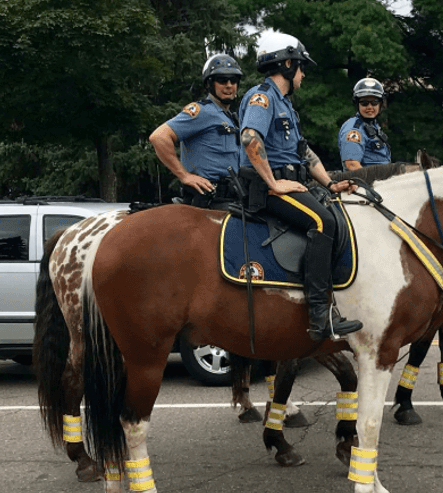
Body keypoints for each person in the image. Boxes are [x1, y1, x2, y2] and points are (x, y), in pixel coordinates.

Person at [238, 36, 363, 341]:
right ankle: (320, 316)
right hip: (266, 188)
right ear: (288, 64)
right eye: (302, 68)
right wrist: (273, 183)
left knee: (337, 214)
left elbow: (304, 153)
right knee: (323, 222)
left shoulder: (286, 105)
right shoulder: (262, 97)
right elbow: (249, 138)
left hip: (293, 181)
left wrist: (331, 183)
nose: (304, 75)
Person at [149, 54, 243, 208]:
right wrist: (184, 176)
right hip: (207, 203)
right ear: (209, 84)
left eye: (233, 80)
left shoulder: (231, 117)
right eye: (222, 80)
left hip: (231, 199)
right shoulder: (201, 111)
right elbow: (159, 137)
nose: (229, 85)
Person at [338, 78, 392, 170]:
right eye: (364, 103)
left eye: (374, 102)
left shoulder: (373, 125)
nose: (370, 107)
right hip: (366, 182)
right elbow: (352, 164)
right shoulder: (354, 130)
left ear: (380, 104)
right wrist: (373, 184)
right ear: (357, 104)